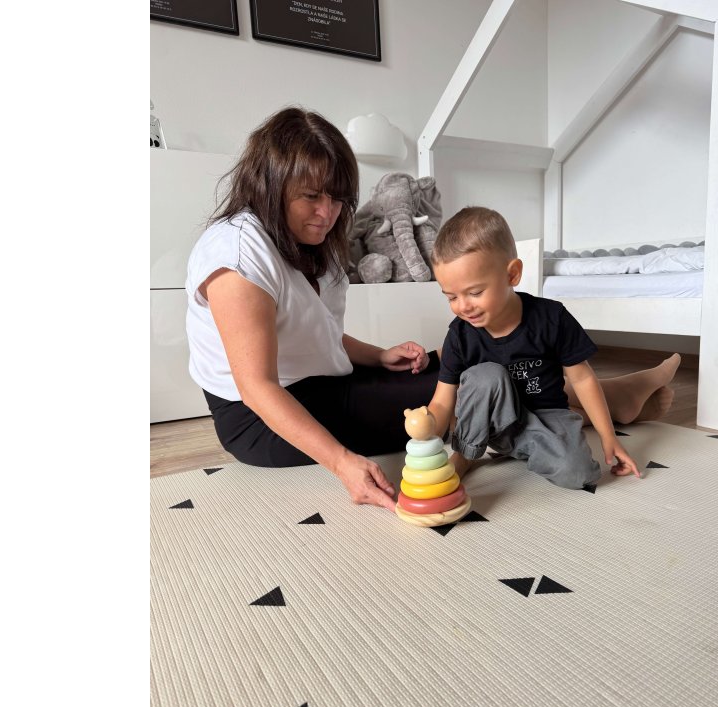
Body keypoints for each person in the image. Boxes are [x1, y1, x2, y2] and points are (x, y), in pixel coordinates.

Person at [185, 107, 678, 512]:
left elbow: (312, 333)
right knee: (463, 387)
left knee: (454, 367)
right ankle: (614, 399)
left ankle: (597, 402)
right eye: (312, 197)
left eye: (337, 199)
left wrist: (378, 356)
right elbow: (257, 385)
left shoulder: (309, 242)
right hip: (258, 418)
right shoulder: (238, 256)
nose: (328, 212)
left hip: (324, 383)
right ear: (270, 184)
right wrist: (341, 463)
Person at [423, 206, 682, 490]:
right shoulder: (459, 334)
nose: (462, 306)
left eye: (474, 293)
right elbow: (443, 401)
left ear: (512, 274)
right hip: (492, 426)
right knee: (485, 375)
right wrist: (425, 427)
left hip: (546, 418)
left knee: (579, 474)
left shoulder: (551, 318)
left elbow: (582, 379)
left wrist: (609, 437)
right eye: (451, 297)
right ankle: (466, 455)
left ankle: (557, 433)